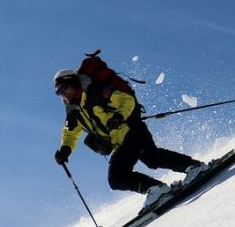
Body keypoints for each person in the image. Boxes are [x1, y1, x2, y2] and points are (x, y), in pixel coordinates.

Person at [52, 69, 206, 208]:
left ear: (73, 83)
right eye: (59, 93)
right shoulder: (73, 111)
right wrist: (65, 150)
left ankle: (195, 167)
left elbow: (126, 100)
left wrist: (119, 116)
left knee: (151, 158)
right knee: (116, 178)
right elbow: (70, 133)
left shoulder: (96, 90)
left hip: (132, 130)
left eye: (64, 89)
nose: (63, 94)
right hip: (120, 142)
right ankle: (157, 189)